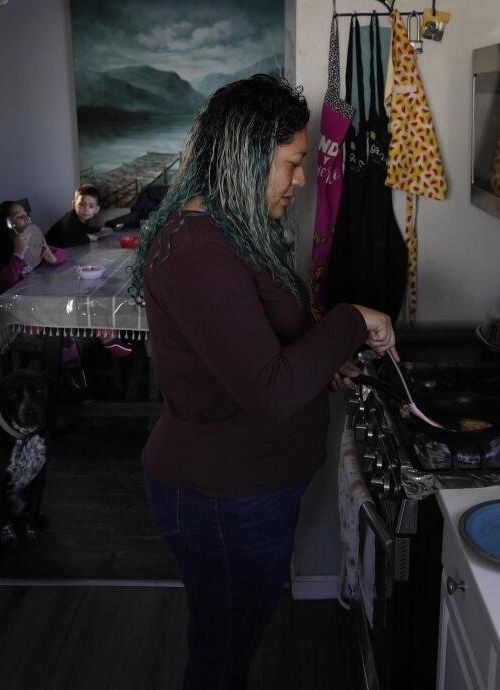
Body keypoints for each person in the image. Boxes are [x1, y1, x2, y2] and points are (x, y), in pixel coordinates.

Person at [129, 74, 396, 690]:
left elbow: (257, 354)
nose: (300, 180)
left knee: (235, 640)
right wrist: (352, 319)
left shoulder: (228, 232)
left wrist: (320, 362)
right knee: (222, 659)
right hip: (221, 498)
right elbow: (270, 389)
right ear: (247, 158)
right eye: (291, 164)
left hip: (248, 490)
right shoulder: (199, 249)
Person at [0, 200, 67, 297]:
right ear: (6, 226)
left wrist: (53, 258)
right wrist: (18, 254)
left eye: (26, 215)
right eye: (19, 216)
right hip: (19, 302)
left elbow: (64, 253)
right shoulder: (1, 252)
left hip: (39, 292)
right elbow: (5, 284)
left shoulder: (32, 242)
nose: (27, 218)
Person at [45, 183, 111, 247]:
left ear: (96, 209)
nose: (86, 209)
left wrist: (101, 229)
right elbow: (68, 241)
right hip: (46, 249)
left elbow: (84, 229)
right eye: (82, 204)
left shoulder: (82, 218)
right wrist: (88, 238)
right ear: (74, 205)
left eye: (91, 206)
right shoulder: (70, 220)